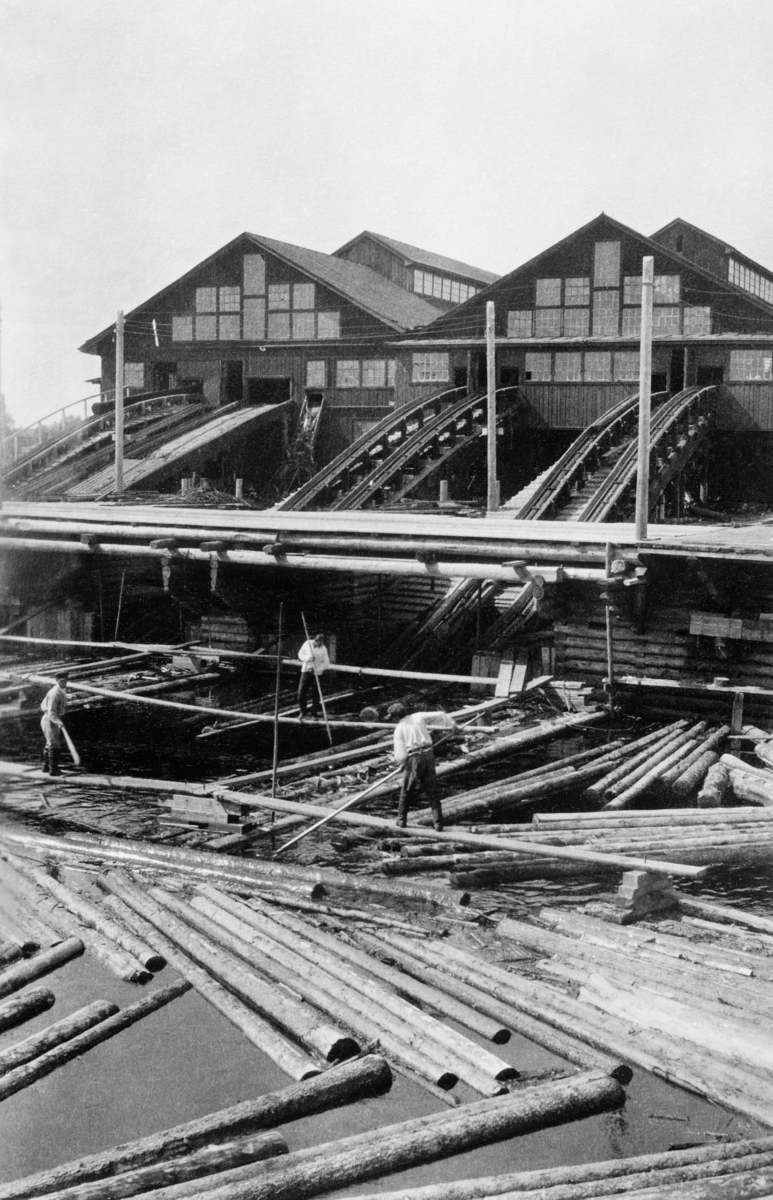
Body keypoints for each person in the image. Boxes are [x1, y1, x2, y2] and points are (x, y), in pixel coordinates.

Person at [393, 710, 457, 831]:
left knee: (407, 789)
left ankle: (401, 819)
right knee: (432, 790)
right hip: (429, 755)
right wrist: (452, 724)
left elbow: (400, 754)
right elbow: (440, 715)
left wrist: (402, 763)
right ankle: (438, 823)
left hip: (414, 758)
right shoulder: (418, 717)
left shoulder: (399, 728)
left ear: (396, 716)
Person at [40, 672, 69, 776]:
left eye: (65, 680)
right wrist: (58, 722)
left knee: (50, 743)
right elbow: (51, 712)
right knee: (55, 744)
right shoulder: (54, 693)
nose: (63, 683)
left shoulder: (63, 690)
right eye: (61, 681)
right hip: (50, 719)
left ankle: (46, 767)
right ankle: (53, 770)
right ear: (57, 681)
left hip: (53, 718)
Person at [297, 632, 330, 719]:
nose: (320, 644)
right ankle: (303, 711)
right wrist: (306, 659)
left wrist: (318, 669)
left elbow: (326, 663)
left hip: (316, 673)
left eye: (322, 643)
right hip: (306, 670)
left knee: (315, 694)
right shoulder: (307, 644)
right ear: (315, 640)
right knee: (301, 692)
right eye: (318, 642)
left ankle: (314, 713)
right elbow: (300, 654)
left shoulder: (324, 649)